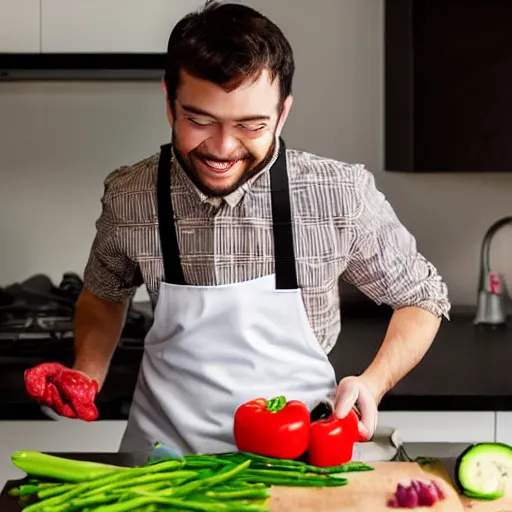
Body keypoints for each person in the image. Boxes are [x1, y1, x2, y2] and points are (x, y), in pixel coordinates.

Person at [26, 1, 450, 455]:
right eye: (199, 120)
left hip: (300, 455)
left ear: (282, 114)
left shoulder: (338, 194)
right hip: (163, 461)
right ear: (169, 102)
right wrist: (87, 373)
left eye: (251, 125)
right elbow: (104, 293)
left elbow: (421, 295)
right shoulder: (132, 195)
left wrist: (374, 381)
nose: (224, 148)